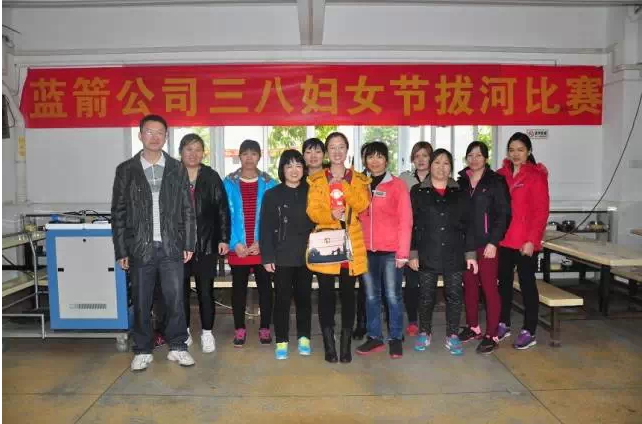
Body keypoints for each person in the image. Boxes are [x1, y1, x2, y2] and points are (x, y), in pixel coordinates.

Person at [111, 114, 196, 371]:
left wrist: (189, 243)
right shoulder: (126, 170)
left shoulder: (177, 168)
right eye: (149, 132)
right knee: (141, 300)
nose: (155, 137)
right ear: (140, 135)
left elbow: (187, 209)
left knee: (175, 300)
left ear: (166, 137)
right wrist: (121, 250)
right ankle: (142, 349)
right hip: (140, 247)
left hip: (171, 246)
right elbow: (118, 213)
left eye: (160, 133)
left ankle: (178, 346)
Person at [307, 132, 370, 364]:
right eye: (332, 147)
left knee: (348, 295)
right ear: (327, 152)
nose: (337, 151)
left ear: (347, 150)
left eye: (341, 146)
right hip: (327, 243)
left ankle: (345, 345)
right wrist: (330, 215)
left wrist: (343, 185)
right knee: (325, 295)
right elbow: (312, 211)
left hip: (351, 243)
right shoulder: (316, 180)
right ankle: (328, 344)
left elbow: (362, 204)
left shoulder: (359, 179)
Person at [408, 148, 478, 356]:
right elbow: (412, 224)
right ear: (430, 166)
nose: (441, 167)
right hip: (427, 251)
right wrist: (412, 253)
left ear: (451, 168)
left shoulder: (460, 192)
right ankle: (424, 332)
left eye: (446, 163)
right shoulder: (418, 191)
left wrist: (471, 255)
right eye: (437, 162)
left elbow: (469, 225)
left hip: (454, 252)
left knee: (454, 295)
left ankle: (452, 334)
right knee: (426, 296)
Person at [355, 142, 412, 359]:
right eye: (370, 157)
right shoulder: (360, 185)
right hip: (366, 251)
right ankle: (375, 337)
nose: (375, 161)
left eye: (379, 156)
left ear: (386, 160)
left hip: (391, 252)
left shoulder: (397, 185)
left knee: (393, 296)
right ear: (365, 160)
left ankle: (395, 338)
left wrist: (403, 253)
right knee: (371, 297)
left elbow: (406, 220)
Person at [496, 132, 550, 350]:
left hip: (525, 242)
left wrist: (532, 240)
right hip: (504, 240)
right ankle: (504, 323)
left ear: (528, 151)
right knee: (504, 284)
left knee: (527, 285)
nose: (515, 154)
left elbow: (541, 212)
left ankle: (530, 329)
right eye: (512, 150)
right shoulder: (501, 174)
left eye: (520, 150)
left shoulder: (536, 176)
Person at [456, 141, 511, 354]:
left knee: (489, 288)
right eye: (470, 155)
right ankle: (473, 327)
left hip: (487, 245)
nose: (474, 159)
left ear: (486, 158)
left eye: (478, 155)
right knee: (469, 286)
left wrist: (494, 242)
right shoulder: (461, 182)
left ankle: (492, 334)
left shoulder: (495, 181)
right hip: (466, 245)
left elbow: (504, 214)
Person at [260, 150, 315, 360]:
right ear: (282, 169)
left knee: (304, 299)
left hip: (307, 256)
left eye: (298, 165)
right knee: (282, 301)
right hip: (281, 257)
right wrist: (267, 257)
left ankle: (304, 338)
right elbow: (265, 228)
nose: (294, 170)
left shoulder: (311, 192)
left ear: (304, 169)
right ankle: (281, 340)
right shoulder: (272, 195)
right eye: (289, 166)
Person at [179, 133, 230, 353]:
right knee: (179, 291)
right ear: (181, 152)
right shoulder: (172, 175)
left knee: (205, 291)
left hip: (207, 243)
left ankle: (207, 333)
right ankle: (184, 331)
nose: (193, 154)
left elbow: (222, 209)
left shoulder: (211, 176)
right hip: (179, 245)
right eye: (189, 149)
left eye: (198, 149)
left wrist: (224, 238)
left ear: (203, 153)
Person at [224, 139, 277, 347]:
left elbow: (274, 218)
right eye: (245, 153)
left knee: (266, 288)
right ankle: (239, 328)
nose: (249, 158)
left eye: (253, 154)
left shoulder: (270, 183)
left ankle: (265, 327)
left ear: (259, 157)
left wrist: (262, 242)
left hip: (261, 247)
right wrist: (234, 243)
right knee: (238, 290)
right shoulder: (228, 183)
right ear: (239, 156)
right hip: (238, 248)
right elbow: (224, 216)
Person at [399, 141, 433, 337]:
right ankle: (412, 320)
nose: (421, 160)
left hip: (431, 239)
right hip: (409, 237)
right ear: (412, 159)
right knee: (411, 283)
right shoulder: (404, 179)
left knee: (427, 283)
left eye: (425, 156)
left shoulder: (440, 178)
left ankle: (426, 320)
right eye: (417, 156)